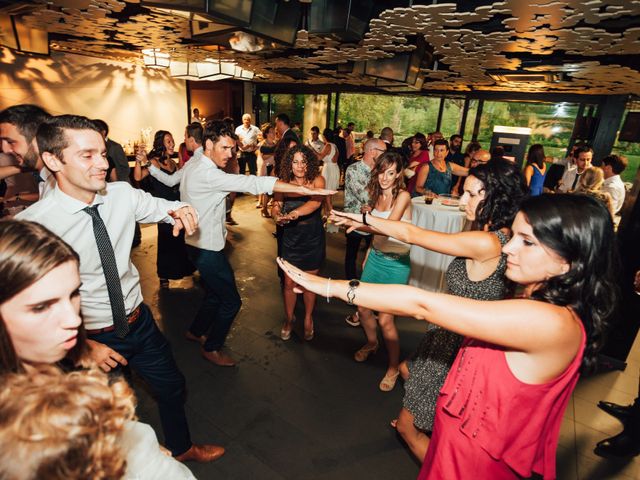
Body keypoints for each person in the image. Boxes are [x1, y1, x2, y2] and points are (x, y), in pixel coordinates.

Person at [279, 193, 618, 479]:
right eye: (513, 235)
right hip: (455, 442)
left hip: (476, 463)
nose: (509, 248)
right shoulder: (534, 299)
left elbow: (422, 304)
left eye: (527, 242)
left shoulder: (552, 322)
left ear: (568, 263)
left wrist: (329, 286)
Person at [16, 114, 223, 464]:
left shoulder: (122, 195)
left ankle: (182, 447)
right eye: (87, 155)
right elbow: (21, 314)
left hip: (139, 322)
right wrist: (81, 348)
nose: (103, 163)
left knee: (172, 386)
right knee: (108, 413)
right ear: (53, 160)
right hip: (88, 339)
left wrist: (182, 209)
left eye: (102, 152)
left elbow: (165, 207)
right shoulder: (34, 226)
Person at [332, 159, 527, 460]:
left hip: (458, 341)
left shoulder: (489, 241)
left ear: (495, 197)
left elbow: (415, 235)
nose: (463, 199)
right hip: (447, 333)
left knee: (406, 429)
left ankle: (439, 463)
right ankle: (436, 418)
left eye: (472, 194)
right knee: (411, 370)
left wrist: (367, 220)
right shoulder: (496, 235)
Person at [0, 219, 196, 479]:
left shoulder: (40, 374)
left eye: (73, 294)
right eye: (41, 307)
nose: (74, 320)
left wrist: (138, 445)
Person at [179, 121, 333, 364]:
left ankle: (195, 330)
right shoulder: (209, 174)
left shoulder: (196, 159)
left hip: (195, 244)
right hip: (207, 249)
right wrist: (302, 191)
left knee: (213, 293)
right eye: (226, 148)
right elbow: (252, 183)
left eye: (232, 148)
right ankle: (212, 347)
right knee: (231, 302)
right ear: (209, 145)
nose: (230, 154)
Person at [341, 151, 412, 392]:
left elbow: (387, 227)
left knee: (386, 319)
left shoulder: (403, 196)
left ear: (399, 174)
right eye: (381, 172)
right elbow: (376, 235)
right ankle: (372, 344)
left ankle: (393, 366)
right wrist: (369, 253)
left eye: (391, 173)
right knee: (362, 308)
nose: (385, 178)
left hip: (396, 264)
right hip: (376, 258)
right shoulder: (374, 195)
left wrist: (359, 221)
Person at [272, 145, 326, 341]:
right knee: (289, 283)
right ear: (289, 164)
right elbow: (276, 206)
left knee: (309, 284)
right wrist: (277, 215)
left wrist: (294, 213)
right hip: (291, 239)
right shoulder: (283, 182)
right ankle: (288, 319)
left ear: (309, 163)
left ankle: (308, 319)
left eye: (303, 161)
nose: (300, 166)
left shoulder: (317, 180)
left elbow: (315, 203)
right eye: (295, 161)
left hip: (312, 238)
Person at [133, 130, 195, 288]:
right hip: (163, 207)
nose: (172, 144)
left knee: (180, 239)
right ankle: (164, 275)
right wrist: (139, 161)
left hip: (176, 203)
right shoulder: (153, 162)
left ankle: (184, 269)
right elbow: (138, 177)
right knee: (166, 240)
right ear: (161, 143)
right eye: (169, 141)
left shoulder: (172, 161)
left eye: (173, 141)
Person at [342, 138, 386, 327]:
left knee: (373, 257)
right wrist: (384, 201)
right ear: (373, 151)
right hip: (355, 221)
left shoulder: (380, 171)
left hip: (375, 222)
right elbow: (366, 197)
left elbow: (377, 199)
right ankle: (351, 292)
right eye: (383, 150)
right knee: (351, 256)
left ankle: (368, 295)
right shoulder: (353, 170)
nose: (386, 153)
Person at [0, 104, 54, 198]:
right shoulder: (45, 175)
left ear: (36, 140)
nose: (5, 150)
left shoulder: (62, 177)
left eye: (10, 142)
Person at [93, 119, 130, 183]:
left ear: (103, 132)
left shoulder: (115, 147)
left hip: (118, 183)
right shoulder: (93, 145)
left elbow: (125, 168)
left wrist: (118, 184)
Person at [257, 122, 277, 217]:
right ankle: (264, 208)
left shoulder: (274, 143)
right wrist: (274, 153)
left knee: (271, 189)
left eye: (274, 132)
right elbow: (264, 157)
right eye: (271, 132)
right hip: (266, 168)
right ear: (267, 134)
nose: (274, 134)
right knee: (266, 189)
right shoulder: (263, 144)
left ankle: (266, 208)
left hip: (273, 168)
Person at [318, 127, 340, 214]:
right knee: (327, 195)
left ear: (324, 136)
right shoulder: (334, 146)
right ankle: (326, 214)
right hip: (334, 168)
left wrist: (312, 149)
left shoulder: (328, 145)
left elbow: (319, 157)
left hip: (329, 170)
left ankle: (331, 215)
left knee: (327, 195)